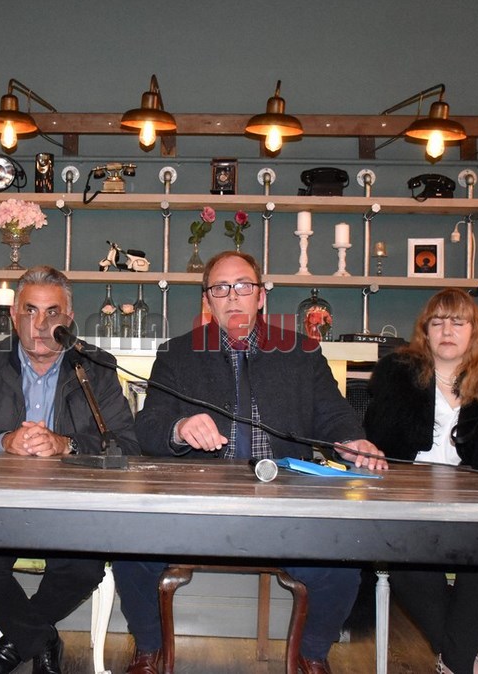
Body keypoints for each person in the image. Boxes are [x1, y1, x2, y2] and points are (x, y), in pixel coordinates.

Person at [130, 250, 386, 674]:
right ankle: (148, 650)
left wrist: (352, 441)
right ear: (206, 301)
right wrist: (179, 427)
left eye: (243, 286)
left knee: (341, 560)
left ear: (261, 296)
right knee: (131, 546)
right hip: (198, 504)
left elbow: (334, 415)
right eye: (220, 288)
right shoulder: (177, 354)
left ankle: (312, 655)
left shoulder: (302, 352)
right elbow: (148, 425)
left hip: (285, 503)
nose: (233, 296)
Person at [0, 265, 139, 674]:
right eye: (30, 311)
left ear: (68, 319)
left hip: (71, 507)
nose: (40, 325)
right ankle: (41, 639)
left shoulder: (95, 366)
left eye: (52, 313)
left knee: (82, 566)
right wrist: (3, 441)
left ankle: (18, 641)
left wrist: (66, 444)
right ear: (14, 315)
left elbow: (127, 444)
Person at [364, 287, 478, 674]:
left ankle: (454, 661)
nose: (447, 330)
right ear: (425, 332)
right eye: (437, 322)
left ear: (475, 332)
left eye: (458, 322)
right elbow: (378, 445)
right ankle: (461, 662)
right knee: (404, 554)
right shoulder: (398, 377)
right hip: (411, 502)